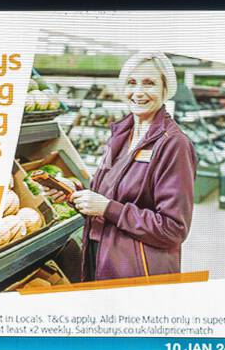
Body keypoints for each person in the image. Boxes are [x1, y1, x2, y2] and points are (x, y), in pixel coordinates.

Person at [71, 51, 196, 282]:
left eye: (149, 83)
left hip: (136, 268)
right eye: (131, 82)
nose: (138, 92)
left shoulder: (173, 144)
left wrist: (109, 209)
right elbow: (106, 192)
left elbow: (173, 228)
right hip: (100, 254)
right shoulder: (121, 134)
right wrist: (74, 191)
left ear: (165, 89)